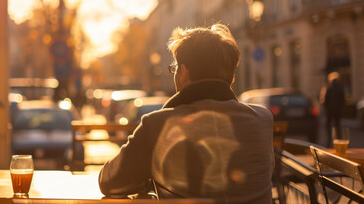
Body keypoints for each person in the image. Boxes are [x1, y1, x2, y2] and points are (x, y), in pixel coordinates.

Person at [98, 24, 274, 203]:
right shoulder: (262, 119)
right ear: (231, 76)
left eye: (175, 69)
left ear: (184, 73)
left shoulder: (158, 124)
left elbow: (109, 181)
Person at [323, 72, 345, 146]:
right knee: (337, 125)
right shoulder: (340, 88)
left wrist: (326, 108)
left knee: (328, 125)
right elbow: (343, 99)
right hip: (338, 111)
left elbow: (325, 100)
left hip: (330, 111)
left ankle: (329, 140)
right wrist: (341, 108)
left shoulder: (329, 88)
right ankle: (339, 139)